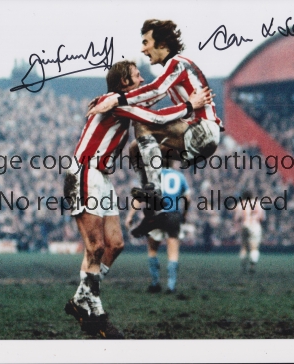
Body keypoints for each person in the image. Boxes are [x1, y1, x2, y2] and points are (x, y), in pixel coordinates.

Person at [63, 60, 210, 339]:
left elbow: (150, 106)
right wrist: (190, 104)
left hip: (101, 178)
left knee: (115, 245)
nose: (142, 79)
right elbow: (155, 115)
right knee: (95, 247)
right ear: (124, 83)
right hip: (86, 171)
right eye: (137, 75)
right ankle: (95, 311)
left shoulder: (116, 102)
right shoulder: (112, 101)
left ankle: (82, 297)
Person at [87, 19, 223, 220]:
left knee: (143, 124)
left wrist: (116, 99)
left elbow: (154, 90)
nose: (143, 49)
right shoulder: (173, 71)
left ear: (162, 44)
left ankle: (155, 191)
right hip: (199, 138)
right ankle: (152, 208)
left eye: (145, 42)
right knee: (135, 149)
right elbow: (152, 97)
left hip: (201, 130)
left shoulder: (177, 63)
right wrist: (110, 98)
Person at [125, 161, 190, 294]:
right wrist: (184, 214)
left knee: (152, 249)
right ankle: (171, 286)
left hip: (156, 214)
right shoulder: (180, 176)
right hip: (173, 215)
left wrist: (130, 215)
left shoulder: (152, 176)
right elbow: (187, 198)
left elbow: (139, 198)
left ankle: (155, 283)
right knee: (173, 251)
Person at [234, 191, 266, 274]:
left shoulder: (240, 204)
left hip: (245, 225)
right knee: (254, 247)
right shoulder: (258, 204)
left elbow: (237, 218)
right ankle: (252, 265)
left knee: (244, 246)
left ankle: (243, 265)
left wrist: (237, 228)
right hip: (255, 226)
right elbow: (262, 218)